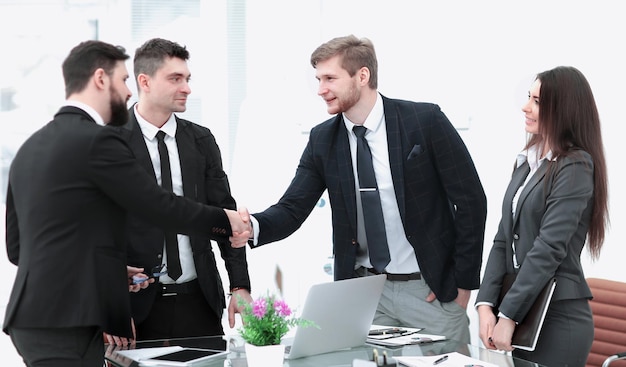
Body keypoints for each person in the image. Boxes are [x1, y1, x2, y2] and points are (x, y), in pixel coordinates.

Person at [3, 40, 249, 367]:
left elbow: (19, 248)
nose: (129, 90)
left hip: (33, 319)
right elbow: (159, 206)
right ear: (101, 79)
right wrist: (228, 220)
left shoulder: (31, 147)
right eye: (123, 80)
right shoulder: (98, 139)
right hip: (72, 319)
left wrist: (112, 273)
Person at [236, 35, 487, 343]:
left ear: (362, 76)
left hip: (430, 291)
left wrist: (463, 283)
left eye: (330, 78)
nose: (320, 90)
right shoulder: (322, 140)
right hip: (366, 294)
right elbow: (293, 208)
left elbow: (471, 200)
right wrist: (253, 226)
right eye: (318, 79)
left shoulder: (425, 121)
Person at [103, 38, 252, 346]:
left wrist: (240, 285)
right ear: (144, 81)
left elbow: (226, 214)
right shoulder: (109, 142)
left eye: (187, 79)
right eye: (175, 79)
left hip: (199, 302)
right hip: (134, 309)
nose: (186, 88)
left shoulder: (201, 140)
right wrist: (111, 308)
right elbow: (97, 230)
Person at [475, 66, 609, 367]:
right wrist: (485, 304)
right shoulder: (526, 164)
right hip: (526, 312)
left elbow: (549, 248)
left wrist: (508, 314)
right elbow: (502, 239)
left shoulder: (575, 166)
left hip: (558, 319)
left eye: (537, 101)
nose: (526, 106)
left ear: (563, 110)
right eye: (529, 97)